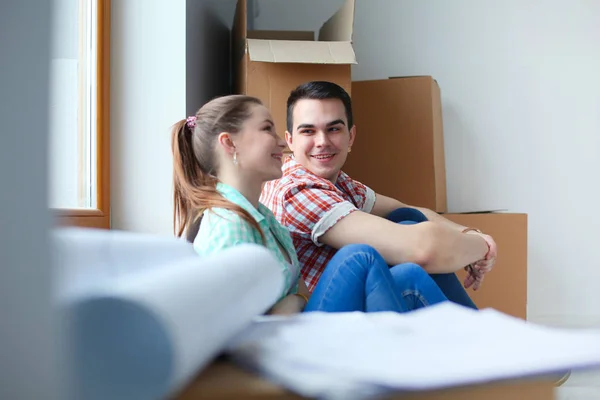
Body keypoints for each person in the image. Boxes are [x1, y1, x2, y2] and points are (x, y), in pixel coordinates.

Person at [171, 94, 449, 315]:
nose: (282, 142)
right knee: (359, 256)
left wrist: (294, 301)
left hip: (300, 318)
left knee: (407, 262)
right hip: (281, 344)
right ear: (229, 143)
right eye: (267, 128)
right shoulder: (231, 227)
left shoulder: (260, 214)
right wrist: (289, 306)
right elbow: (233, 332)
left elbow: (299, 292)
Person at [260, 81, 498, 309]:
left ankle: (475, 336)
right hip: (317, 318)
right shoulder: (297, 191)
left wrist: (470, 233)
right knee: (409, 274)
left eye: (333, 129)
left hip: (348, 303)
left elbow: (408, 210)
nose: (322, 142)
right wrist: (482, 248)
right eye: (308, 131)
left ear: (350, 136)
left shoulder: (337, 182)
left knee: (406, 218)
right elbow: (423, 249)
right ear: (290, 140)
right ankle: (482, 341)